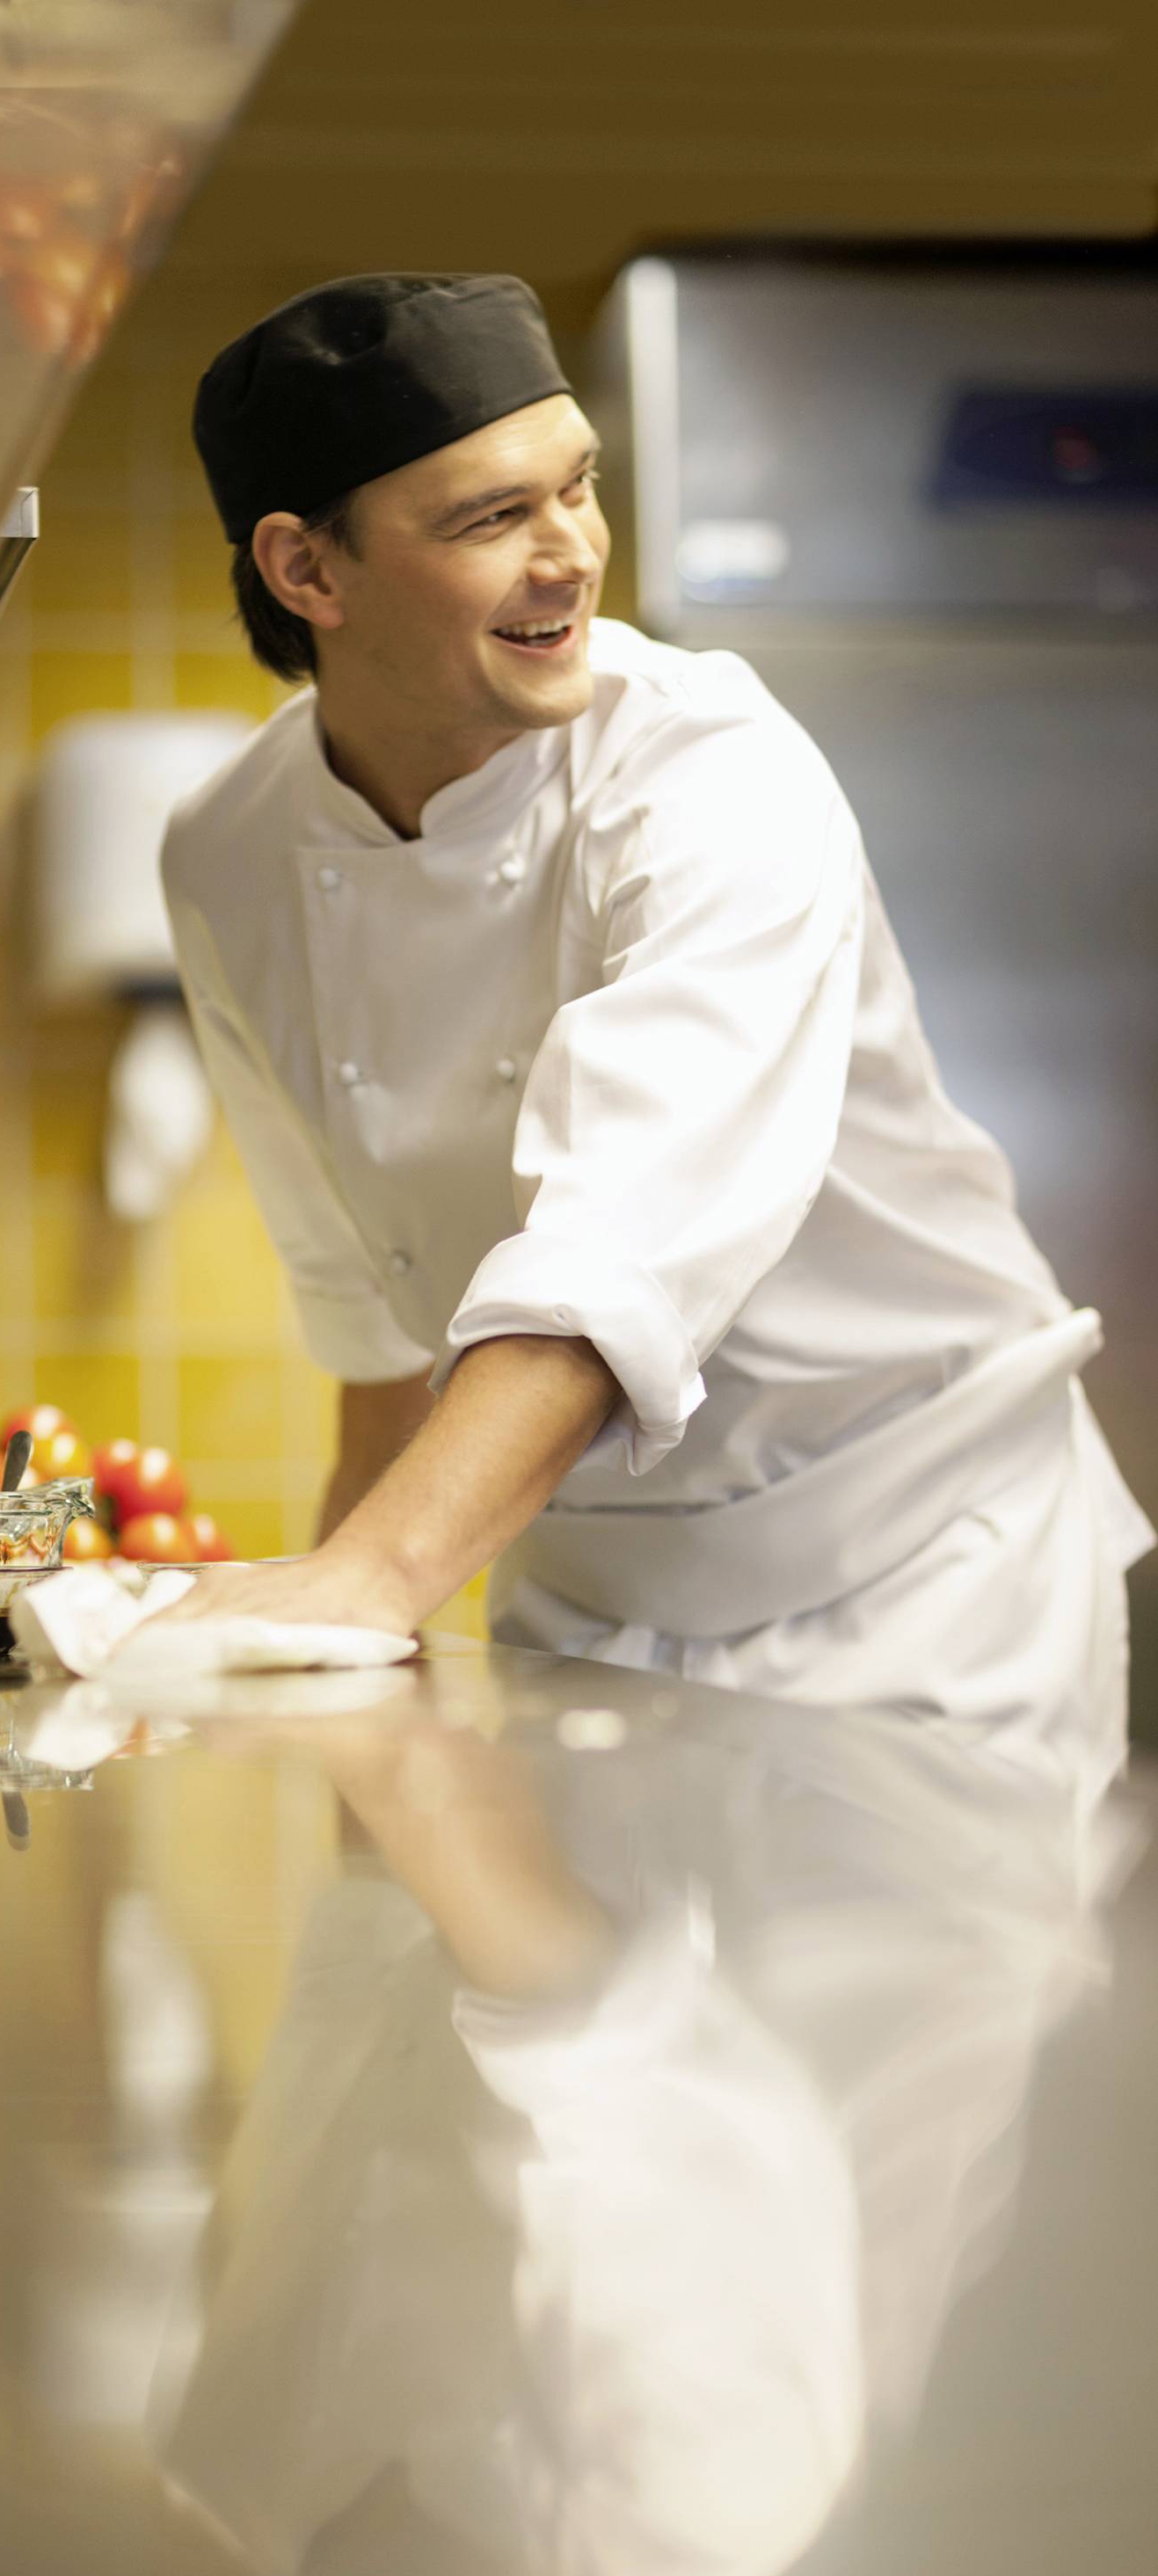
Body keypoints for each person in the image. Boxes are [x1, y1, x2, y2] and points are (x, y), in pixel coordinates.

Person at [151, 271, 1151, 1782]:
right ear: (306, 568)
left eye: (580, 487)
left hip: (918, 1576)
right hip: (592, 1595)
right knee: (538, 2016)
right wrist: (358, 1666)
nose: (572, 557)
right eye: (492, 518)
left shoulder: (707, 767)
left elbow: (618, 1243)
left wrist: (370, 1585)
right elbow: (369, 1317)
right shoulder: (227, 852)